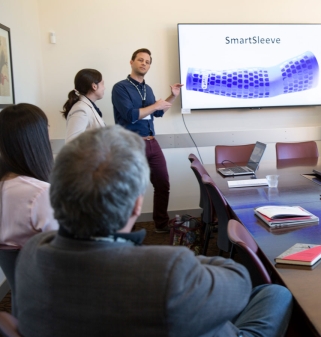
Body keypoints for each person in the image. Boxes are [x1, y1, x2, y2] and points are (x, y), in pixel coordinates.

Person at [15, 126, 293, 337]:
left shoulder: (32, 252)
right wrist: (181, 264)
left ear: (58, 194)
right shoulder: (166, 271)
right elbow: (240, 281)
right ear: (138, 204)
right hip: (180, 312)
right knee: (277, 294)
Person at [112, 48, 183, 233]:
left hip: (152, 142)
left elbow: (158, 112)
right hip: (131, 144)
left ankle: (160, 224)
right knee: (131, 189)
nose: (144, 63)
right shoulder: (120, 88)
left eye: (148, 61)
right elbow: (130, 115)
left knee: (162, 184)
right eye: (140, 60)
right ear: (131, 62)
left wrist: (173, 96)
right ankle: (129, 229)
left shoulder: (147, 89)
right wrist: (155, 105)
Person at [0, 103, 58, 295]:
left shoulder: (7, 185)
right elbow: (68, 248)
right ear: (36, 139)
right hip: (51, 300)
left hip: (22, 303)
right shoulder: (39, 194)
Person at [61, 68, 106, 142]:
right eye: (102, 84)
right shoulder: (80, 109)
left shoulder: (87, 106)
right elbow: (72, 143)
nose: (104, 88)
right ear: (94, 86)